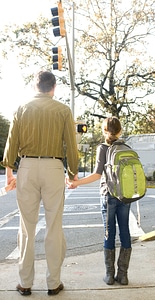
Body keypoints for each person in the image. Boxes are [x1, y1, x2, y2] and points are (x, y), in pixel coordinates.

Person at [1, 70, 79, 296]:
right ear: (53, 87)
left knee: (27, 227)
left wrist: (9, 174)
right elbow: (70, 147)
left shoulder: (21, 109)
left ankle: (25, 282)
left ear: (35, 87)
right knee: (54, 225)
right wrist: (72, 174)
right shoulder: (63, 110)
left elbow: (11, 144)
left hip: (26, 167)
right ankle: (53, 283)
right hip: (54, 167)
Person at [67, 116, 132, 286]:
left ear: (104, 131)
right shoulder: (127, 147)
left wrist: (77, 183)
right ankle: (123, 275)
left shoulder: (102, 148)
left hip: (108, 194)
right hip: (125, 195)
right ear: (120, 131)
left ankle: (110, 275)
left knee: (109, 232)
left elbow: (97, 175)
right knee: (125, 231)